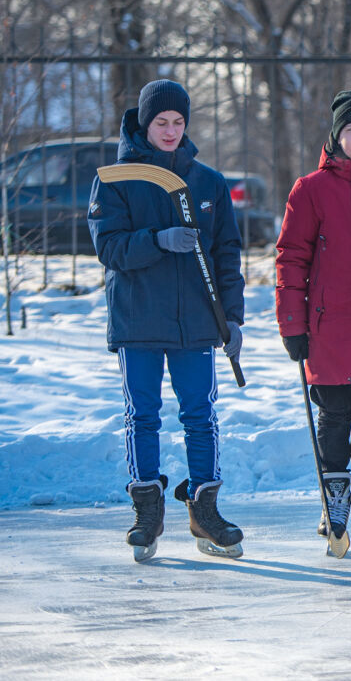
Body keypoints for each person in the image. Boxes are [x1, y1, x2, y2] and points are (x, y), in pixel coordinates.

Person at [88, 78, 246, 561]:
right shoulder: (115, 178)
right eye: (162, 122)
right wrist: (156, 240)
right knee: (144, 415)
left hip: (196, 322)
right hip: (138, 319)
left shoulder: (208, 183)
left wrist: (233, 318)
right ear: (144, 122)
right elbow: (108, 247)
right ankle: (147, 509)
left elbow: (226, 252)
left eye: (179, 122)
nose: (171, 130)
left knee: (201, 415)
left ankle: (205, 507)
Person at [275, 88, 351, 546]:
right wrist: (292, 326)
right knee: (334, 417)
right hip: (329, 329)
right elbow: (290, 259)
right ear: (336, 135)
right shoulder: (311, 189)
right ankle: (334, 495)